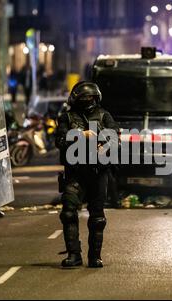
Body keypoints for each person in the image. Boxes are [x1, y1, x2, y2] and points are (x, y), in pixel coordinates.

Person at [56, 81, 119, 268]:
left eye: (90, 97)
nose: (87, 100)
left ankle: (95, 257)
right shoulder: (66, 118)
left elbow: (115, 136)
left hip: (98, 173)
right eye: (83, 97)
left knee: (97, 218)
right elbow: (60, 140)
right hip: (75, 173)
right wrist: (80, 135)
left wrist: (104, 143)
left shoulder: (104, 115)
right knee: (68, 213)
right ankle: (74, 255)